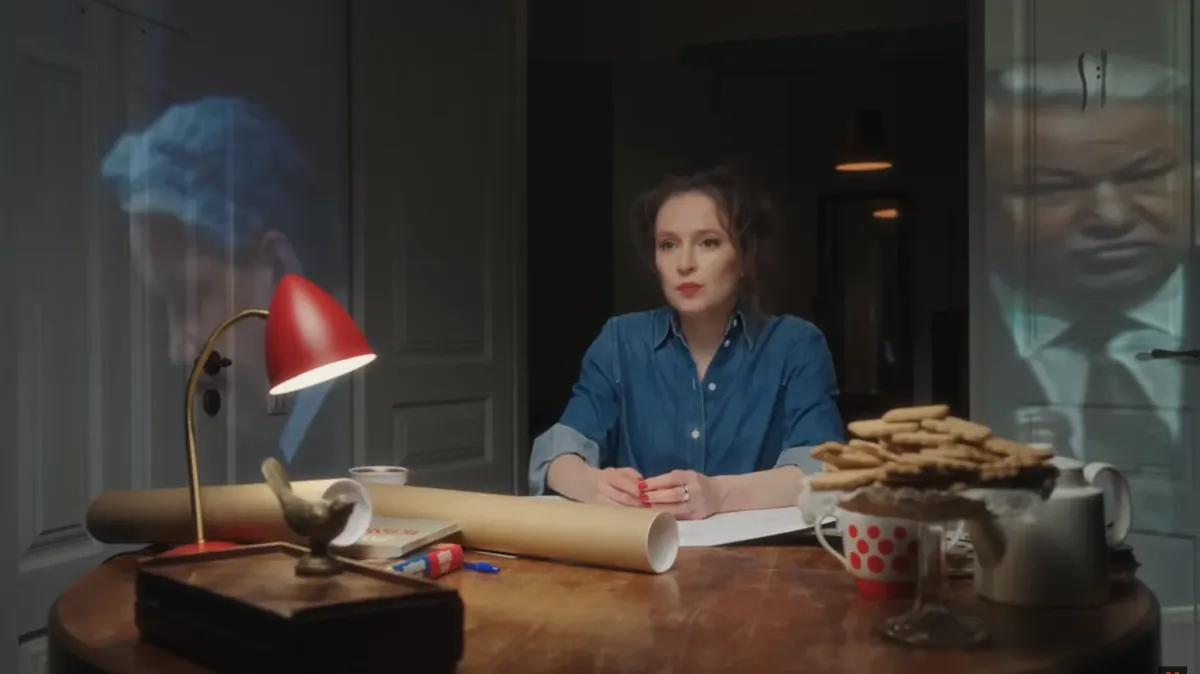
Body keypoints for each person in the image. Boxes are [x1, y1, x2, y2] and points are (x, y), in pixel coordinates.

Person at [980, 53, 1193, 604]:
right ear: (985, 204)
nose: (1111, 216)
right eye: (1051, 188)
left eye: (1146, 176)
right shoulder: (948, 348)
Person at [528, 167, 845, 519]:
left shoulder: (796, 345)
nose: (684, 264)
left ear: (745, 257)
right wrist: (593, 485)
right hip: (640, 548)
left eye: (709, 242)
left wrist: (720, 495)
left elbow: (824, 471)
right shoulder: (620, 341)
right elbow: (555, 456)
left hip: (758, 553)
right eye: (668, 245)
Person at [99, 96, 346, 481]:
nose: (177, 349)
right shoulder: (277, 432)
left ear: (279, 271)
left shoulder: (353, 433)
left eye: (189, 298)